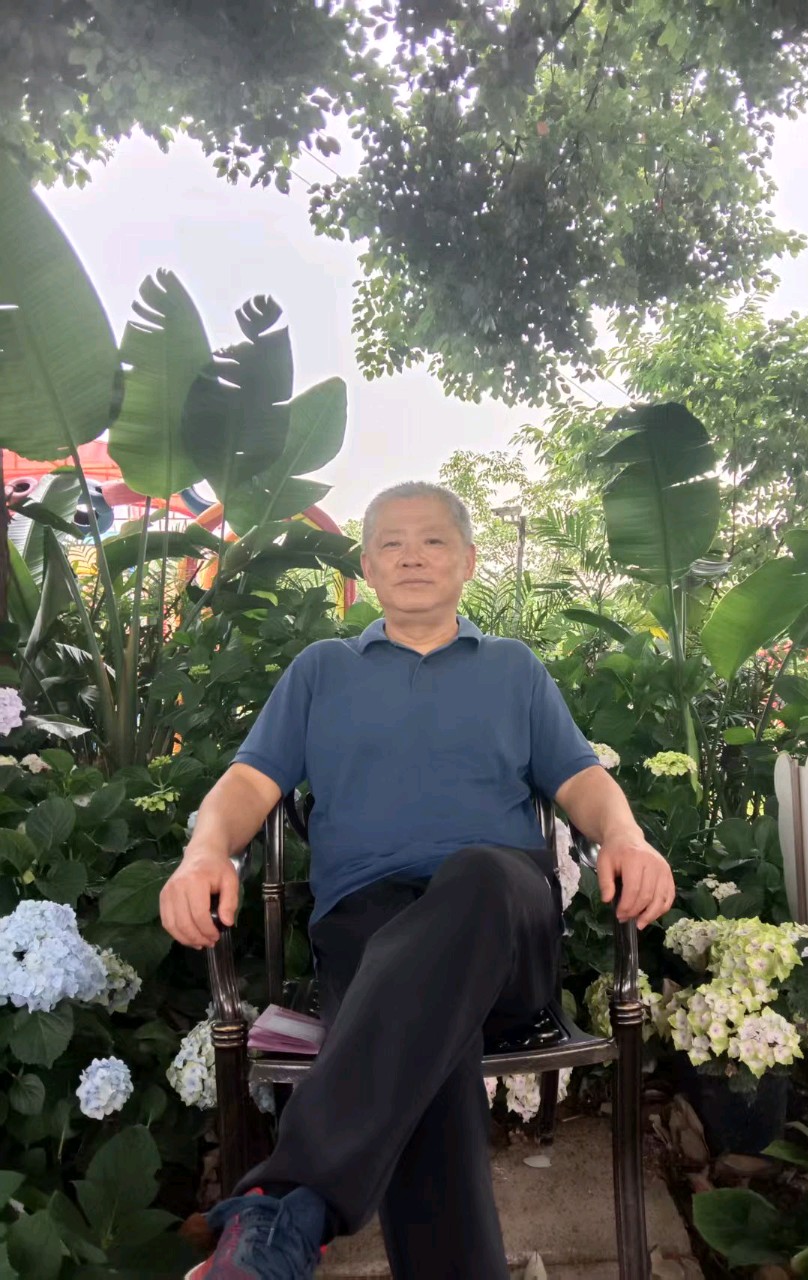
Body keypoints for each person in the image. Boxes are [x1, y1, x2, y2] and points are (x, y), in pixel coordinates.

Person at [160, 482, 675, 1280]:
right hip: (369, 930)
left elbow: (580, 779)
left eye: (432, 540)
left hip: (502, 920)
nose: (411, 556)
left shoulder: (512, 668)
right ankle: (290, 1216)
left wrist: (628, 837)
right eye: (390, 543)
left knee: (474, 876)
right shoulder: (321, 670)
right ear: (366, 568)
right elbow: (248, 784)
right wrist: (203, 854)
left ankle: (286, 1201)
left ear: (466, 561)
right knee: (420, 1024)